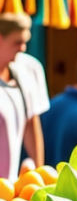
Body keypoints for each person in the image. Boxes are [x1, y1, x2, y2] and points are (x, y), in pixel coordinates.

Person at [0, 13, 49, 178]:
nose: (22, 48)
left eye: (24, 42)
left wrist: (39, 173)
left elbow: (31, 121)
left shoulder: (28, 69)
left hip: (9, 186)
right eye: (17, 42)